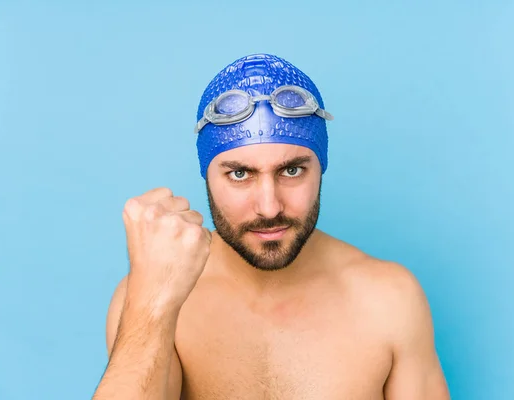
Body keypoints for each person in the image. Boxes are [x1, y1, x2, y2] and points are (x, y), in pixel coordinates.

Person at [92, 53, 451, 399]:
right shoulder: (149, 297)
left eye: (291, 170)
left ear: (320, 167)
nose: (269, 207)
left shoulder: (388, 298)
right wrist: (152, 301)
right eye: (240, 174)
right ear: (207, 176)